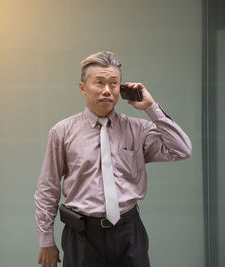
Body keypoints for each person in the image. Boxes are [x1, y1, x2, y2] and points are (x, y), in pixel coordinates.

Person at [34, 51, 192, 267]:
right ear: (83, 88)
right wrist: (46, 240)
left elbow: (181, 149)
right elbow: (48, 188)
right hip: (82, 236)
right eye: (99, 83)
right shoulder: (62, 132)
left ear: (121, 89)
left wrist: (151, 108)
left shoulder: (138, 129)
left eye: (114, 83)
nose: (107, 90)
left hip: (129, 233)